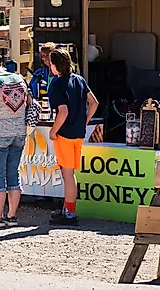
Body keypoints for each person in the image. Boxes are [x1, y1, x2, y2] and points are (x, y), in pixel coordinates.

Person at [0, 48, 33, 228]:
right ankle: (12, 216)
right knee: (13, 174)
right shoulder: (19, 79)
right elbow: (28, 104)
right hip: (19, 133)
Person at [47, 48, 99, 226]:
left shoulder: (56, 84)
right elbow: (94, 102)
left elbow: (63, 111)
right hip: (78, 133)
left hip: (65, 134)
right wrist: (85, 120)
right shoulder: (79, 80)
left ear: (54, 65)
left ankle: (69, 213)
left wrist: (53, 131)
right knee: (71, 174)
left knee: (67, 174)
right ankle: (67, 209)